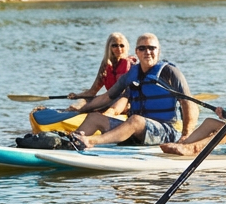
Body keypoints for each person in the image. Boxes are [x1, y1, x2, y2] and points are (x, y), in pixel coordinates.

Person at [68, 33, 196, 148]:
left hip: (165, 132)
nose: (147, 51)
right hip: (136, 130)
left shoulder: (170, 72)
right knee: (94, 117)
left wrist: (186, 136)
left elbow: (189, 103)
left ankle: (90, 141)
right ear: (136, 52)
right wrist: (81, 110)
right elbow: (106, 97)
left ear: (158, 51)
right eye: (142, 48)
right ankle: (70, 143)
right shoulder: (131, 74)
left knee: (135, 120)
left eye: (152, 48)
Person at [66, 32, 134, 115]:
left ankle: (89, 112)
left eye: (122, 45)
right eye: (114, 45)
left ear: (126, 47)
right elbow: (92, 91)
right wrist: (77, 96)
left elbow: (121, 92)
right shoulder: (105, 64)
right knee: (87, 100)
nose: (119, 49)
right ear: (109, 47)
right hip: (109, 98)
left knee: (92, 105)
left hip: (123, 102)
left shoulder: (127, 63)